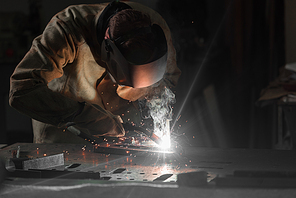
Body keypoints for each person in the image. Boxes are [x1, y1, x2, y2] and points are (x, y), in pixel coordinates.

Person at [9, 0, 181, 144]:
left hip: (124, 137)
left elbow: (167, 83)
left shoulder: (157, 31)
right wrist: (84, 115)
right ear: (107, 49)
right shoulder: (67, 29)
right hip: (66, 136)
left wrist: (158, 118)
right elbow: (21, 90)